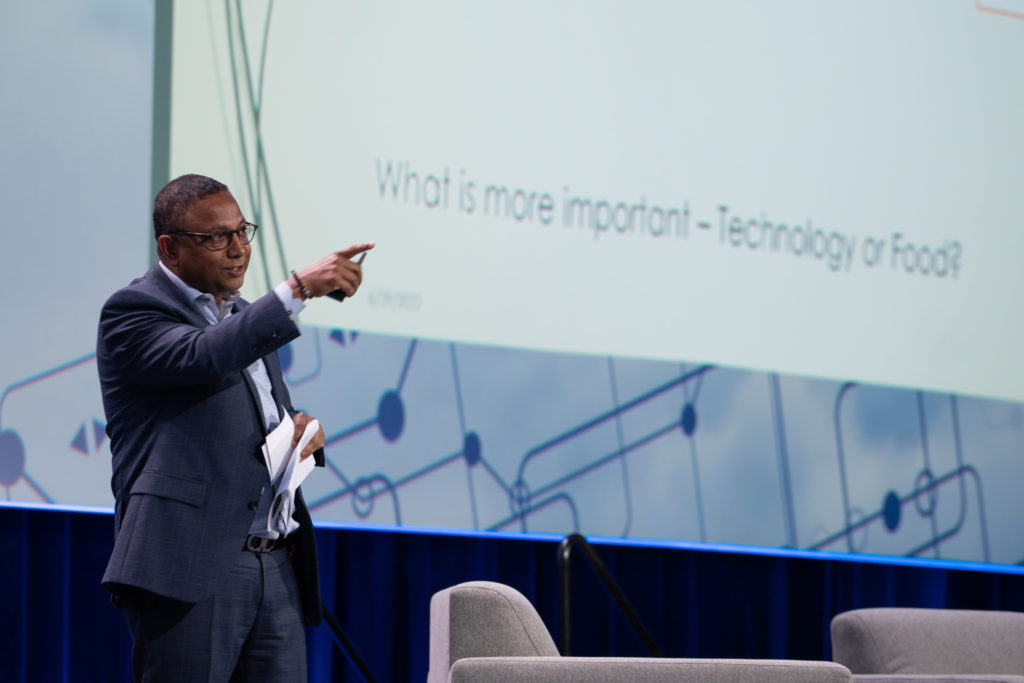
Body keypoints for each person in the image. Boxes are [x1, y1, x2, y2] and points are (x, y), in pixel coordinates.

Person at [97, 173, 373, 682]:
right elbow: (202, 356)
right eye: (216, 237)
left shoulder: (244, 316)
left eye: (242, 231)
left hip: (275, 560)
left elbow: (252, 416)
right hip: (188, 566)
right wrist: (297, 289)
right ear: (170, 247)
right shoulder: (134, 312)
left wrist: (298, 434)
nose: (238, 249)